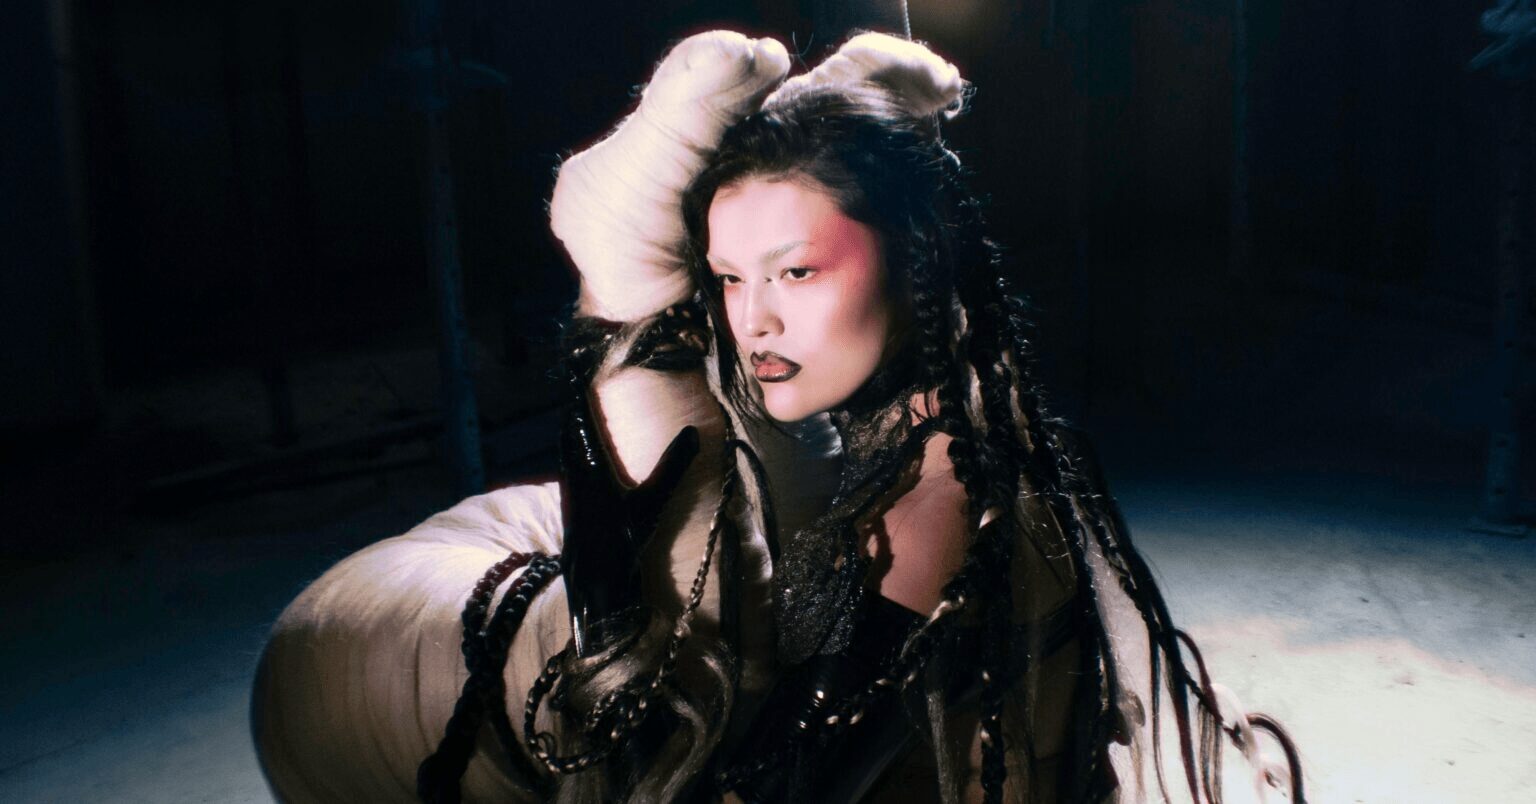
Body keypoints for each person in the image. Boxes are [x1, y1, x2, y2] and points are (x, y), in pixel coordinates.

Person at [252, 31, 1302, 804]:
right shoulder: (954, 428)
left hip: (382, 660)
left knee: (695, 666)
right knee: (755, 534)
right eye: (725, 277)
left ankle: (627, 285)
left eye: (796, 272)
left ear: (915, 262)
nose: (752, 320)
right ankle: (739, 186)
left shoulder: (950, 494)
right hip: (411, 608)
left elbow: (738, 772)